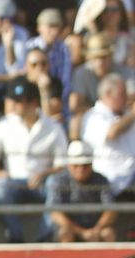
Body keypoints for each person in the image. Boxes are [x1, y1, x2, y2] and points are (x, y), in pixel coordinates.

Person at [0, 78, 65, 241]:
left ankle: (45, 235)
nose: (15, 105)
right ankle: (15, 234)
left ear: (33, 103)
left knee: (55, 184)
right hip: (14, 183)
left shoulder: (53, 127)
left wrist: (43, 174)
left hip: (43, 184)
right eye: (15, 101)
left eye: (20, 101)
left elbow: (62, 165)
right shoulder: (4, 125)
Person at [76, 72, 135, 202]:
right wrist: (132, 114)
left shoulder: (127, 114)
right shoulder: (93, 116)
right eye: (122, 94)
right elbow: (112, 133)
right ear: (107, 94)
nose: (127, 99)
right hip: (111, 179)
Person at [44, 138, 115, 240]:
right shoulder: (59, 180)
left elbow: (111, 209)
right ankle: (66, 256)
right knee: (65, 234)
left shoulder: (101, 180)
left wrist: (97, 229)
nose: (81, 170)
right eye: (76, 166)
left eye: (85, 166)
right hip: (70, 227)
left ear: (91, 165)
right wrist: (80, 231)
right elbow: (55, 212)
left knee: (107, 233)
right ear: (69, 165)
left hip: (95, 227)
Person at [68, 33, 131, 139]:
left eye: (104, 57)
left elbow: (131, 99)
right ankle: (78, 150)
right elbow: (74, 106)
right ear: (89, 57)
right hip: (93, 115)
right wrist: (100, 110)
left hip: (122, 113)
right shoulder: (82, 73)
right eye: (96, 57)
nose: (100, 62)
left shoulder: (125, 71)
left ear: (111, 56)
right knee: (75, 121)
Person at [24, 8, 71, 92]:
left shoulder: (64, 49)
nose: (54, 31)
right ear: (39, 28)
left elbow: (65, 79)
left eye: (57, 27)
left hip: (54, 93)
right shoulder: (29, 46)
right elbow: (23, 73)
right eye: (50, 27)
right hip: (31, 92)